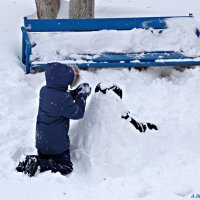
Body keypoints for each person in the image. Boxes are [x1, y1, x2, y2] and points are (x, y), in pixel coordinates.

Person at [16, 62, 91, 176]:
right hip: (57, 147)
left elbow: (60, 100)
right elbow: (77, 113)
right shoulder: (63, 98)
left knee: (47, 157)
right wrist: (82, 95)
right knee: (66, 167)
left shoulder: (44, 91)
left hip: (42, 142)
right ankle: (40, 163)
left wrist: (75, 92)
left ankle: (36, 160)